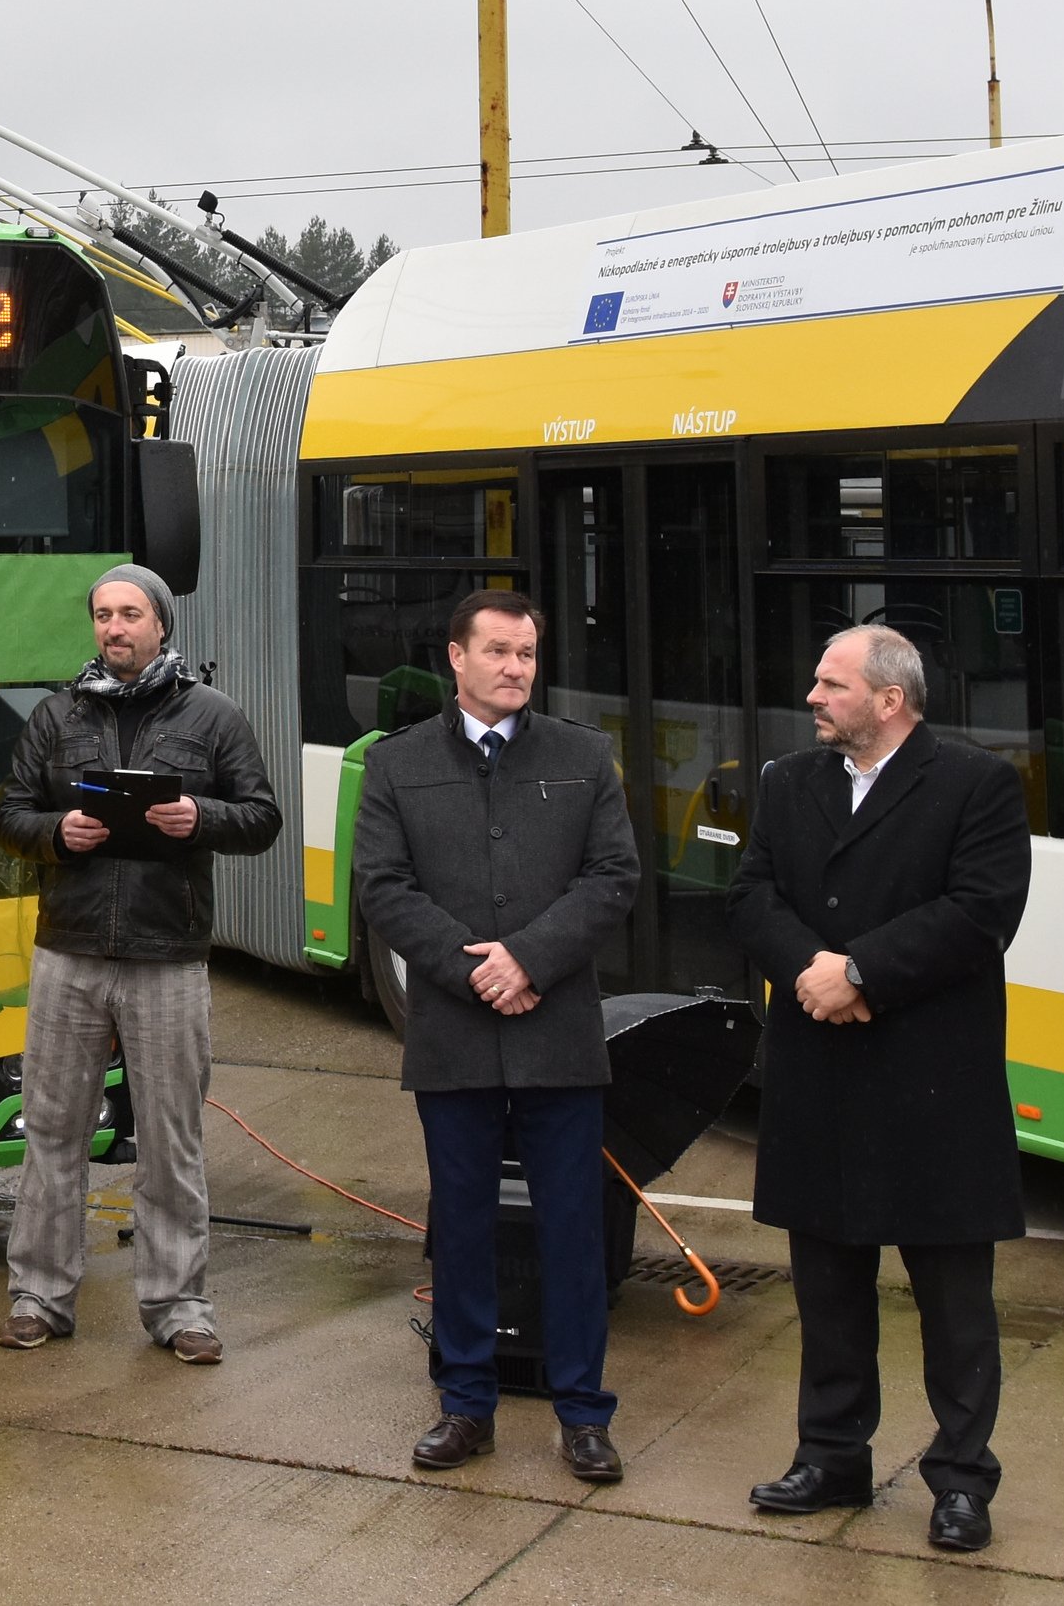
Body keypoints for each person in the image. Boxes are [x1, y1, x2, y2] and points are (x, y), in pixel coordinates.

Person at [732, 624, 1033, 1557]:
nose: (813, 696)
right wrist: (811, 973)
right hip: (820, 1073)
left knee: (952, 1298)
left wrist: (858, 972)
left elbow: (980, 912)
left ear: (889, 699)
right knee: (826, 1283)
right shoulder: (788, 782)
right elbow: (751, 895)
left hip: (933, 1080)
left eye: (832, 683)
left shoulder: (976, 785)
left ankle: (960, 1479)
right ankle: (831, 1456)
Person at [351, 588, 641, 1482]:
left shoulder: (585, 756)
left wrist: (529, 958)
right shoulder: (397, 765)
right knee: (464, 1227)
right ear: (457, 657)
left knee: (573, 1229)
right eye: (500, 651)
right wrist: (474, 966)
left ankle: (583, 1413)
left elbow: (613, 877)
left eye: (528, 653)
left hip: (558, 1036)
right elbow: (383, 886)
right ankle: (465, 1404)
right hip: (455, 1038)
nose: (517, 667)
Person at [0, 565, 282, 1365]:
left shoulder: (213, 716)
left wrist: (198, 817)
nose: (114, 627)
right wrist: (55, 833)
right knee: (51, 1129)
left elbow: (262, 817)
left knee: (170, 1136)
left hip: (167, 955)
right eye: (102, 615)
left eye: (129, 613)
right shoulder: (55, 716)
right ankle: (38, 1295)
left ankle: (180, 1304)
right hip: (69, 952)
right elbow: (9, 814)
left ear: (162, 624)